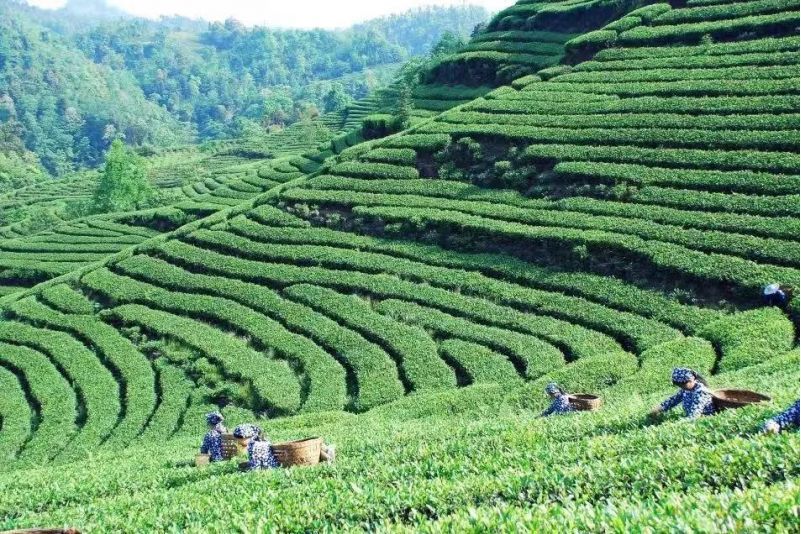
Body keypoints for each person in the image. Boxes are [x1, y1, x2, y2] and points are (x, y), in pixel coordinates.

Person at [650, 368, 715, 420]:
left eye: (683, 383)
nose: (681, 386)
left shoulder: (701, 391)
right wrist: (659, 408)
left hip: (703, 420)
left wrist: (673, 425)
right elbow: (673, 400)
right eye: (678, 384)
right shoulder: (686, 390)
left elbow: (695, 415)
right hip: (690, 418)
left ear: (691, 379)